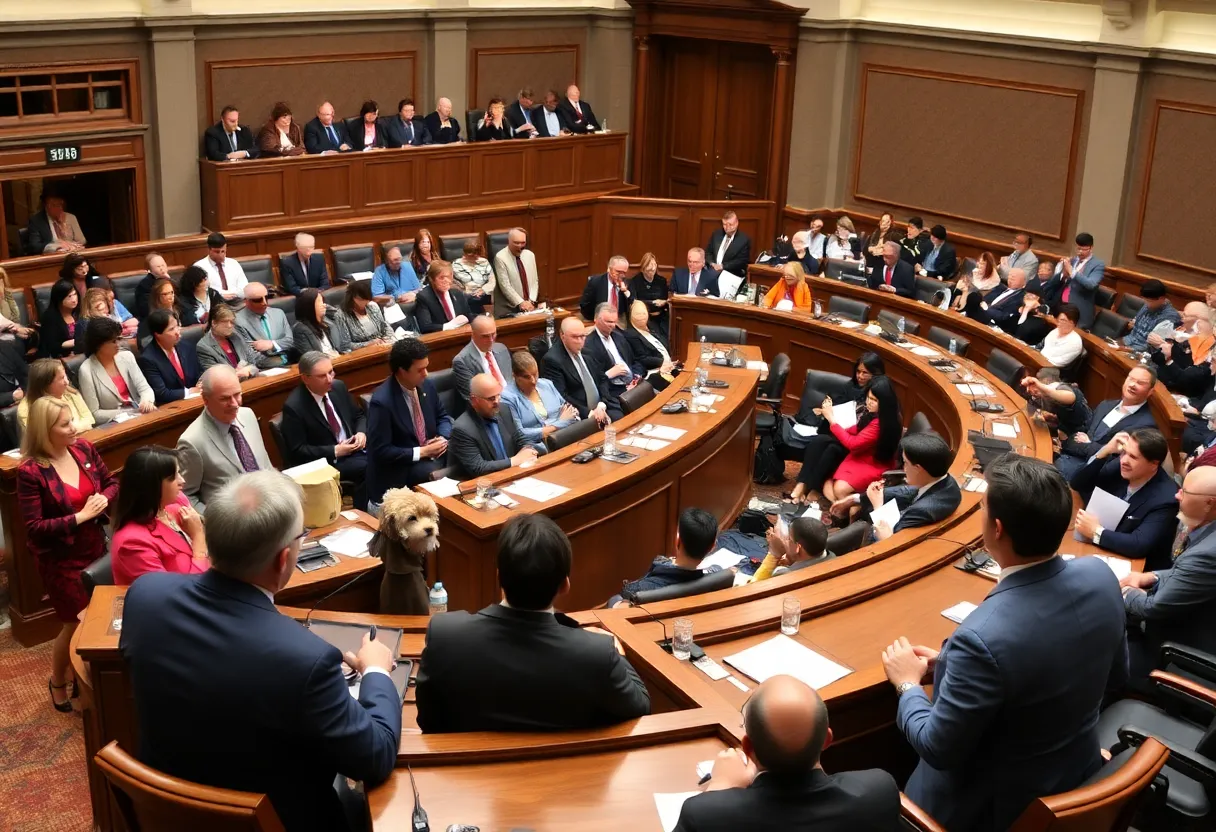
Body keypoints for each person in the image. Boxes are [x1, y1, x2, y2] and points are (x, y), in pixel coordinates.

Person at [119, 470, 401, 831]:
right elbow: (375, 757)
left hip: (169, 814)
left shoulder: (145, 596)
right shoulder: (307, 662)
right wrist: (375, 669)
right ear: (284, 559)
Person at [882, 453, 1128, 831]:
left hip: (990, 809)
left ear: (996, 529)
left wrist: (908, 683)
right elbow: (1115, 676)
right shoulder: (1100, 575)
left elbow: (938, 747)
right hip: (1075, 772)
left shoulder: (980, 639)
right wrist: (948, 668)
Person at [416, 513, 649, 732]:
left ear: (499, 578)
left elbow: (427, 720)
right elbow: (641, 705)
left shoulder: (445, 635)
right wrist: (617, 652)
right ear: (565, 585)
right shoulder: (597, 654)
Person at [673, 675, 899, 832]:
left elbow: (710, 816)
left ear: (748, 748)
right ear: (827, 739)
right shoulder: (880, 790)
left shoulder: (705, 815)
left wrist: (718, 790)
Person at [18, 397, 118, 711]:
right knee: (75, 624)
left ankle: (90, 681)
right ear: (44, 431)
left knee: (102, 617)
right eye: (64, 424)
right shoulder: (31, 472)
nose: (73, 427)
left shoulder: (84, 450)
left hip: (95, 549)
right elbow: (34, 527)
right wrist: (80, 516)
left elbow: (111, 482)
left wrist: (102, 498)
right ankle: (59, 681)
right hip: (60, 560)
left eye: (71, 420)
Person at [1121, 465, 1216, 680]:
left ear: (1209, 503)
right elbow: (1190, 573)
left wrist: (1123, 588)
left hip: (1179, 649)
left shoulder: (1207, 554)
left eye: (1185, 491)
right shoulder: (1208, 533)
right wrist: (1153, 576)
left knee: (1100, 658)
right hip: (1189, 620)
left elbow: (1152, 608)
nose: (1177, 494)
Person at [1071, 428, 1179, 569]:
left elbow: (1138, 544)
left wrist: (1096, 532)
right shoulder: (1122, 466)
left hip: (1134, 567)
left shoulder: (1167, 498)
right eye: (1124, 453)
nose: (1124, 461)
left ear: (1154, 464)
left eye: (1133, 457)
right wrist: (1105, 451)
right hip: (1101, 547)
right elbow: (1078, 483)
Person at [366, 338, 452, 511]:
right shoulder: (382, 402)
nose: (426, 374)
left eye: (426, 367)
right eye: (420, 370)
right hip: (399, 476)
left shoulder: (426, 385)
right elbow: (381, 451)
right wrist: (422, 452)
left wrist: (442, 438)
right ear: (402, 371)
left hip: (431, 458)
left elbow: (443, 416)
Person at [791, 375, 901, 506]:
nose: (869, 402)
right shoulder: (876, 413)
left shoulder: (882, 422)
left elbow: (853, 444)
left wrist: (832, 420)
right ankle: (802, 484)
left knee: (833, 460)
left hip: (871, 461)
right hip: (862, 452)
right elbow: (857, 430)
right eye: (869, 398)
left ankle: (835, 502)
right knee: (820, 441)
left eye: (874, 400)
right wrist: (836, 424)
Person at [176, 366, 273, 511]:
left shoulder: (248, 415)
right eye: (225, 398)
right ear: (206, 400)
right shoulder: (192, 442)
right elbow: (184, 496)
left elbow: (266, 466)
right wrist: (217, 523)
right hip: (233, 525)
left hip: (272, 508)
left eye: (237, 394)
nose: (234, 404)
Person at [831, 432, 961, 540]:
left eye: (905, 462)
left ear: (918, 468)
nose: (903, 467)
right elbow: (908, 492)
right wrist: (855, 498)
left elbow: (888, 541)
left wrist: (878, 506)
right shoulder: (945, 482)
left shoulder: (924, 510)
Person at [281, 352, 368, 511]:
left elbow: (359, 415)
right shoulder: (294, 407)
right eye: (322, 375)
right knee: (371, 465)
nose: (329, 379)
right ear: (305, 378)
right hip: (328, 462)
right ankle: (365, 512)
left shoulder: (338, 387)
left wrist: (361, 433)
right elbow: (297, 451)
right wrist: (335, 451)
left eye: (331, 372)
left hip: (355, 450)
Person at [111, 446, 209, 586]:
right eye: (174, 477)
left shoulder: (175, 507)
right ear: (152, 486)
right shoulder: (132, 543)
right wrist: (198, 538)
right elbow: (175, 594)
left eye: (179, 473)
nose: (182, 481)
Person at [1055, 365, 1159, 479]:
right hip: (1069, 458)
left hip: (1090, 476)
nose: (1132, 385)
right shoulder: (1106, 405)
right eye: (1131, 379)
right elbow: (1081, 433)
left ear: (1150, 391)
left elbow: (1114, 461)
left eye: (1140, 383)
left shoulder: (1146, 425)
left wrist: (1087, 444)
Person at [611, 507, 719, 607]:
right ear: (712, 547)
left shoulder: (637, 591)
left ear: (677, 540)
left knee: (614, 599)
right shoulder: (717, 579)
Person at [449, 372, 540, 478]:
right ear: (474, 400)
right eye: (491, 398)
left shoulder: (504, 410)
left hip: (516, 475)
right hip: (488, 484)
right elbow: (478, 468)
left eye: (498, 395)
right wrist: (514, 461)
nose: (497, 402)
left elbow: (520, 438)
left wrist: (529, 449)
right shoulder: (462, 429)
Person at [78, 317, 156, 423]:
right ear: (99, 344)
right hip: (115, 423)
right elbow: (95, 413)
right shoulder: (86, 370)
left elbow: (145, 388)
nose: (118, 344)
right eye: (113, 341)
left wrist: (146, 401)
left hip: (141, 415)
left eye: (119, 339)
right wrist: (129, 413)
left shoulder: (127, 356)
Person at [543, 316, 618, 423]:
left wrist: (602, 405)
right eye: (574, 337)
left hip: (602, 405)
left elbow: (602, 379)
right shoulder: (552, 360)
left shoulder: (588, 350)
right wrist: (589, 413)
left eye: (582, 336)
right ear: (562, 336)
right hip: (580, 414)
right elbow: (561, 396)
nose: (580, 341)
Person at [501, 351, 579, 444]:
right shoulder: (507, 397)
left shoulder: (547, 384)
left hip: (565, 438)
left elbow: (570, 411)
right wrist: (559, 423)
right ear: (515, 376)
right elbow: (519, 434)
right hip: (538, 448)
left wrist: (544, 429)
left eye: (535, 374)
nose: (533, 381)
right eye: (526, 377)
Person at [1042, 232, 1106, 330]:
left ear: (1091, 248)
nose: (1079, 252)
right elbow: (1055, 282)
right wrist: (1063, 273)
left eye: (1083, 249)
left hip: (1079, 309)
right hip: (1060, 305)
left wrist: (1072, 271)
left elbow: (1091, 284)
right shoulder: (1073, 260)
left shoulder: (1098, 265)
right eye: (1078, 248)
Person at [138, 309, 203, 404]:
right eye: (171, 329)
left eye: (177, 326)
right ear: (158, 334)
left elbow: (200, 371)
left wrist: (201, 382)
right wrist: (189, 392)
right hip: (172, 407)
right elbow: (161, 393)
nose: (177, 332)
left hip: (197, 400)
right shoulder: (148, 359)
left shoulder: (187, 346)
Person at [583, 303, 644, 400]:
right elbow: (592, 379)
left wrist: (636, 377)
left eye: (614, 322)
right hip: (613, 390)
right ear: (596, 319)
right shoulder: (588, 345)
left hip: (634, 383)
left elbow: (635, 361)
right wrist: (609, 374)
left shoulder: (619, 336)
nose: (613, 326)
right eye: (608, 322)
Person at [18, 358, 93, 434]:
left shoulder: (71, 393)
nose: (67, 382)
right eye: (61, 378)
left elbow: (89, 421)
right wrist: (78, 427)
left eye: (65, 376)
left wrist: (67, 430)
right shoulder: (26, 409)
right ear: (46, 384)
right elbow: (44, 436)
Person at [452, 314, 511, 405]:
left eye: (493, 334)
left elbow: (511, 382)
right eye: (485, 336)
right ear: (473, 334)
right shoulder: (462, 361)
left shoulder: (501, 348)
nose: (491, 340)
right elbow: (474, 401)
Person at [1021, 368, 1092, 442]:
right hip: (1066, 425)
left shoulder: (1061, 389)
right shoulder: (1042, 396)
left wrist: (1044, 389)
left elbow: (1071, 397)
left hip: (1082, 430)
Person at [752, 517, 832, 580]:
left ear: (798, 547)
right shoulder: (832, 557)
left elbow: (753, 590)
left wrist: (773, 556)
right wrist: (792, 560)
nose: (785, 541)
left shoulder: (784, 575)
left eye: (788, 539)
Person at [196, 303, 263, 378]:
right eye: (225, 322)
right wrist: (238, 373)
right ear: (214, 323)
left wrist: (248, 371)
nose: (229, 325)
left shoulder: (236, 336)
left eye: (232, 322)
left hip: (249, 380)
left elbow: (253, 362)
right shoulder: (203, 347)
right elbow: (215, 377)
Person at [624, 299, 676, 391]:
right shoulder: (630, 335)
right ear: (631, 316)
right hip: (654, 371)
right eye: (638, 314)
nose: (641, 317)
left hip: (669, 366)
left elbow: (665, 344)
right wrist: (662, 362)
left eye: (643, 313)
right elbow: (641, 358)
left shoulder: (652, 327)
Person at [236, 282, 293, 366]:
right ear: (246, 301)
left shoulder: (278, 313)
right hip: (264, 368)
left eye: (266, 297)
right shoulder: (237, 321)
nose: (264, 303)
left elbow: (290, 341)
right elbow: (251, 356)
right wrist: (281, 360)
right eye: (258, 300)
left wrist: (272, 344)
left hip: (290, 361)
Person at [334, 279, 395, 350]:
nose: (367, 302)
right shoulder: (341, 315)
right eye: (362, 299)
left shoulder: (372, 306)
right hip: (363, 352)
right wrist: (369, 344)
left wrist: (388, 339)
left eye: (368, 299)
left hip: (383, 346)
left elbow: (385, 326)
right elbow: (345, 345)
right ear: (353, 298)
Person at [492, 227, 540, 316]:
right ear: (509, 241)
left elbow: (535, 281)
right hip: (508, 308)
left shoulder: (530, 255)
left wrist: (531, 301)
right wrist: (521, 302)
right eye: (516, 243)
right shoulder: (500, 257)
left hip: (530, 306)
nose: (520, 246)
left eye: (523, 243)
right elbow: (505, 285)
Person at [414, 260, 472, 334]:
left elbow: (468, 314)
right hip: (442, 338)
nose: (446, 281)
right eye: (441, 278)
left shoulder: (456, 292)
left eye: (448, 277)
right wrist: (450, 325)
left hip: (462, 333)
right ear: (432, 279)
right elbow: (425, 327)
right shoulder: (424, 297)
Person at [1123, 278, 1181, 352]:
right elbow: (1134, 329)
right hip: (1128, 341)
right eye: (1144, 299)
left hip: (1141, 351)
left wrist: (1130, 349)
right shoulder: (1148, 305)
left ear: (1161, 298)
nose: (1146, 303)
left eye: (1149, 301)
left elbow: (1154, 346)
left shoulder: (1170, 317)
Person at [962, 266, 1026, 329]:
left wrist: (986, 309)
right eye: (1009, 275)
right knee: (974, 296)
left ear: (1023, 282)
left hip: (992, 321)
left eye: (1013, 277)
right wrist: (982, 305)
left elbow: (1004, 316)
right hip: (981, 311)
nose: (1010, 278)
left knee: (973, 299)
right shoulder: (1000, 287)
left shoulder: (1020, 298)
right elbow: (984, 299)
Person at [292, 288, 350, 357]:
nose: (324, 305)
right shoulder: (300, 329)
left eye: (323, 301)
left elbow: (337, 348)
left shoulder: (326, 323)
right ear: (310, 306)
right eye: (319, 302)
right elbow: (311, 358)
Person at [193, 232, 248, 300]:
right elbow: (201, 292)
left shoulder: (234, 263)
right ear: (209, 249)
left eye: (223, 251)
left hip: (237, 301)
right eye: (217, 252)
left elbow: (245, 287)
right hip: (215, 305)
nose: (221, 255)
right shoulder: (199, 267)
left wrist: (234, 295)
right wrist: (221, 297)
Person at [579, 255, 633, 322]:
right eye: (618, 272)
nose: (621, 275)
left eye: (624, 272)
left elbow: (632, 302)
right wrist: (596, 317)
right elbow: (584, 304)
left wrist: (625, 291)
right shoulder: (596, 282)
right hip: (598, 318)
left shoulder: (626, 282)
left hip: (618, 319)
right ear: (609, 269)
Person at [37, 279, 81, 359]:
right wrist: (78, 342)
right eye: (69, 296)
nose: (74, 299)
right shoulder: (50, 317)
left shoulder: (79, 311)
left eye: (75, 294)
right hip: (58, 357)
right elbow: (52, 346)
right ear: (59, 299)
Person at [630, 252, 670, 338]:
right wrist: (651, 302)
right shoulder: (635, 281)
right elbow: (634, 301)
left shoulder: (661, 281)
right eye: (649, 267)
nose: (652, 269)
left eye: (654, 266)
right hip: (644, 317)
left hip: (660, 317)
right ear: (643, 268)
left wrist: (663, 302)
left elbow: (666, 299)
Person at [451, 238, 495, 316]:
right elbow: (452, 283)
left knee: (480, 299)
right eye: (469, 256)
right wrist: (465, 292)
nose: (471, 258)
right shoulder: (456, 264)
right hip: (466, 295)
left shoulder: (484, 262)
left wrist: (483, 290)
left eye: (474, 256)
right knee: (471, 300)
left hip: (483, 294)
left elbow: (492, 281)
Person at [706, 210, 752, 277]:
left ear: (736, 223)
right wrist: (712, 264)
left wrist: (722, 266)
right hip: (712, 270)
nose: (727, 227)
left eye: (730, 224)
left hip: (730, 274)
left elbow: (741, 261)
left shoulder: (744, 240)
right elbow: (708, 252)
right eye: (724, 224)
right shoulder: (716, 234)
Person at [136, 276, 179, 346]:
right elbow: (144, 343)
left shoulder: (180, 310)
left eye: (172, 292)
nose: (170, 297)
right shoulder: (150, 321)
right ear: (157, 297)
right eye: (165, 294)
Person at [1038, 303, 1084, 368]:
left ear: (1072, 323)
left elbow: (1055, 364)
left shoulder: (1075, 342)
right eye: (1058, 320)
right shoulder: (1056, 331)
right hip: (1038, 360)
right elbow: (1041, 347)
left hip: (1049, 369)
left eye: (1063, 320)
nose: (1059, 323)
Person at [134, 251, 172, 320]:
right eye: (158, 266)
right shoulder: (144, 285)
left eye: (163, 265)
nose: (161, 268)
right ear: (150, 270)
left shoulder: (171, 280)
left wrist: (169, 281)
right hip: (156, 318)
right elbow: (146, 310)